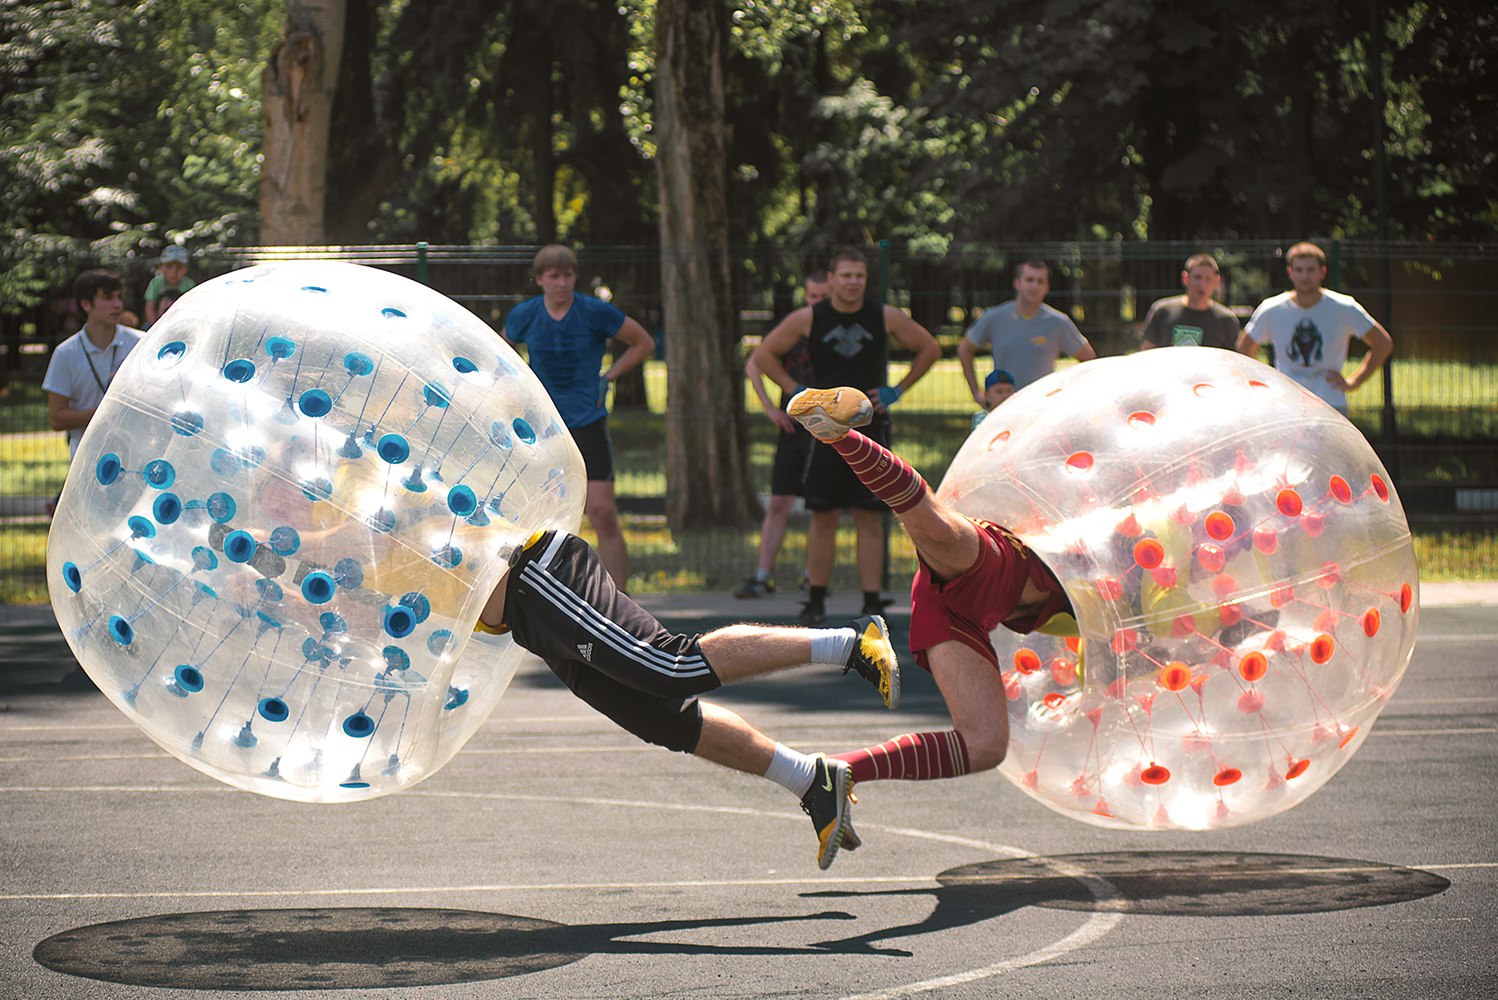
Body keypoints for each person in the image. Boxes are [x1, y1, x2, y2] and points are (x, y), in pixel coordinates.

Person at [475, 527, 899, 869]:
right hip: (525, 619)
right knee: (662, 719)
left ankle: (849, 642)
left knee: (670, 665)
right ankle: (810, 779)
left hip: (534, 576)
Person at [785, 386, 1075, 797]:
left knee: (985, 745)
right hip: (1004, 560)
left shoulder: (1135, 618)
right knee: (935, 528)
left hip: (966, 615)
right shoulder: (1130, 547)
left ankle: (835, 773)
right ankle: (836, 432)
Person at [751, 246, 941, 625]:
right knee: (824, 515)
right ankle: (815, 599)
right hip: (825, 432)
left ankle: (871, 603)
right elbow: (764, 355)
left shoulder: (883, 315)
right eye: (847, 275)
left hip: (872, 429)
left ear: (865, 279)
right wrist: (798, 393)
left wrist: (895, 391)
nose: (854, 281)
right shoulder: (810, 317)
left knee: (869, 516)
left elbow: (930, 348)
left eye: (860, 275)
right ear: (832, 279)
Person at [502, 245, 655, 589]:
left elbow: (643, 342)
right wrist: (522, 388)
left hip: (588, 422)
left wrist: (610, 376)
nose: (561, 282)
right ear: (540, 279)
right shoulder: (524, 315)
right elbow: (501, 353)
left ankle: (620, 603)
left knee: (602, 512)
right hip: (544, 429)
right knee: (544, 519)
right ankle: (543, 598)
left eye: (567, 274)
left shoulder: (593, 311)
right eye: (553, 276)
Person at [734, 270, 831, 598]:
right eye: (812, 297)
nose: (817, 303)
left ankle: (812, 575)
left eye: (823, 297)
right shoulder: (793, 328)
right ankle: (763, 575)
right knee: (779, 500)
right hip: (794, 423)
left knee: (821, 505)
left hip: (829, 425)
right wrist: (770, 409)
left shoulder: (839, 331)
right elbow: (754, 365)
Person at [1236, 241, 1394, 416]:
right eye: (1299, 270)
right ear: (1290, 272)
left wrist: (1353, 382)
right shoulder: (1271, 309)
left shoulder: (1344, 307)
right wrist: (1265, 382)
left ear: (1322, 272)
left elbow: (1382, 343)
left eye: (1311, 270)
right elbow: (1244, 347)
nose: (1305, 276)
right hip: (1287, 403)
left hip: (1331, 403)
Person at [957, 259, 1096, 402]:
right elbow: (965, 349)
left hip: (1042, 407)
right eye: (1029, 280)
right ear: (1017, 283)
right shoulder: (993, 317)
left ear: (1047, 287)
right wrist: (976, 393)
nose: (1035, 285)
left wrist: (1068, 391)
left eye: (1040, 281)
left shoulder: (1058, 322)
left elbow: (1088, 358)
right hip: (1004, 406)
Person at [43, 269, 143, 462]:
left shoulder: (141, 343)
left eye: (119, 297)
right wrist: (105, 412)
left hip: (136, 454)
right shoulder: (66, 353)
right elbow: (57, 418)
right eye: (107, 297)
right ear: (86, 304)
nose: (117, 304)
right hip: (87, 460)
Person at [1138, 253, 1241, 350]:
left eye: (1208, 279)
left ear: (1216, 281)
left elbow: (1234, 361)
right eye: (1197, 277)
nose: (1202, 284)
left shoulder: (1226, 320)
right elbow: (1147, 353)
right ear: (1185, 278)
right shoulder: (1162, 311)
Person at [144, 246, 195, 327]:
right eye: (169, 267)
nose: (173, 272)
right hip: (158, 323)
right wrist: (155, 327)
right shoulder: (156, 282)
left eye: (179, 268)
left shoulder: (189, 285)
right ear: (161, 268)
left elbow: (192, 309)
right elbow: (150, 307)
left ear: (185, 269)